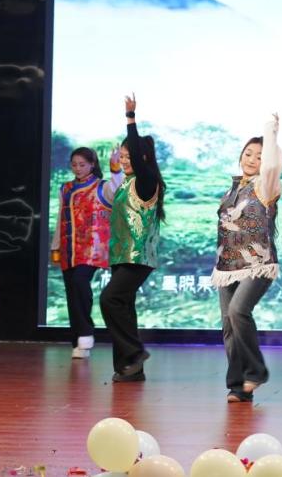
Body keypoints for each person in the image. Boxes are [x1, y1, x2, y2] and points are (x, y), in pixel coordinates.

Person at [211, 117, 282, 402]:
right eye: (248, 153)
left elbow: (272, 166)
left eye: (259, 156)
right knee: (228, 324)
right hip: (226, 267)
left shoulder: (266, 185)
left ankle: (256, 371)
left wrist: (271, 132)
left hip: (258, 264)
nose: (252, 159)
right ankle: (238, 386)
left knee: (239, 310)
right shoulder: (231, 189)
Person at [100, 94, 166, 383]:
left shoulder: (146, 181)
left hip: (137, 258)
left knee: (109, 299)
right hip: (121, 256)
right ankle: (129, 368)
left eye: (130, 157)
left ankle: (135, 352)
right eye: (123, 157)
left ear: (143, 158)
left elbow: (138, 153)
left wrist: (130, 118)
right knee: (123, 307)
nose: (125, 161)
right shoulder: (126, 182)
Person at [50, 146, 123, 359]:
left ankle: (85, 332)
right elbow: (60, 218)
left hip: (93, 248)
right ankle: (78, 343)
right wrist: (56, 246)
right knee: (72, 293)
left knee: (80, 282)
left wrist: (115, 166)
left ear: (92, 164)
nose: (78, 168)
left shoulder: (102, 187)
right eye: (74, 165)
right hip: (69, 248)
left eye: (82, 164)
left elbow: (118, 187)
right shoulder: (65, 188)